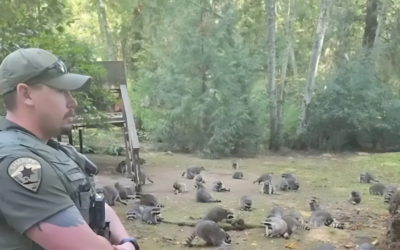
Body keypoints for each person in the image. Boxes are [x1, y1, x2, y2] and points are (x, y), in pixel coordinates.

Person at [0, 48, 138, 250]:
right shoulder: (17, 162)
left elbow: (95, 202)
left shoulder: (55, 151)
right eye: (60, 90)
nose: (73, 102)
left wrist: (126, 241)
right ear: (26, 94)